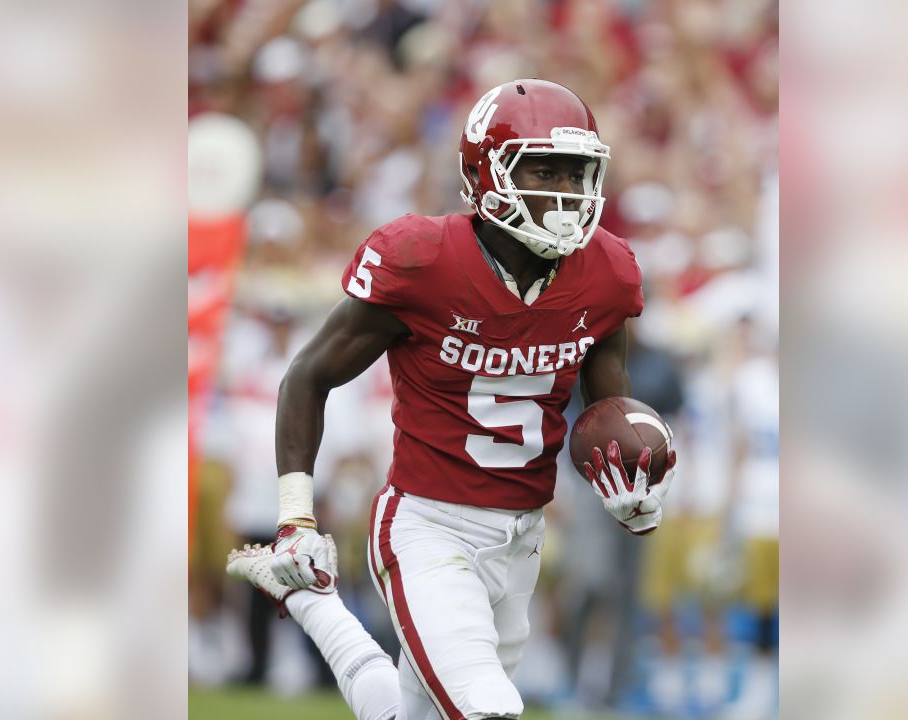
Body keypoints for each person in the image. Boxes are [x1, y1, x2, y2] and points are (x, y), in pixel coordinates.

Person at [227, 78, 677, 720]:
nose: (563, 193)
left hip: (522, 534)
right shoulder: (421, 259)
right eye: (542, 170)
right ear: (484, 173)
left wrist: (628, 484)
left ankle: (311, 603)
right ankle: (303, 581)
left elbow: (610, 410)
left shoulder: (606, 272)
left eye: (576, 174)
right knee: (488, 709)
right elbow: (308, 376)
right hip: (427, 525)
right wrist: (296, 517)